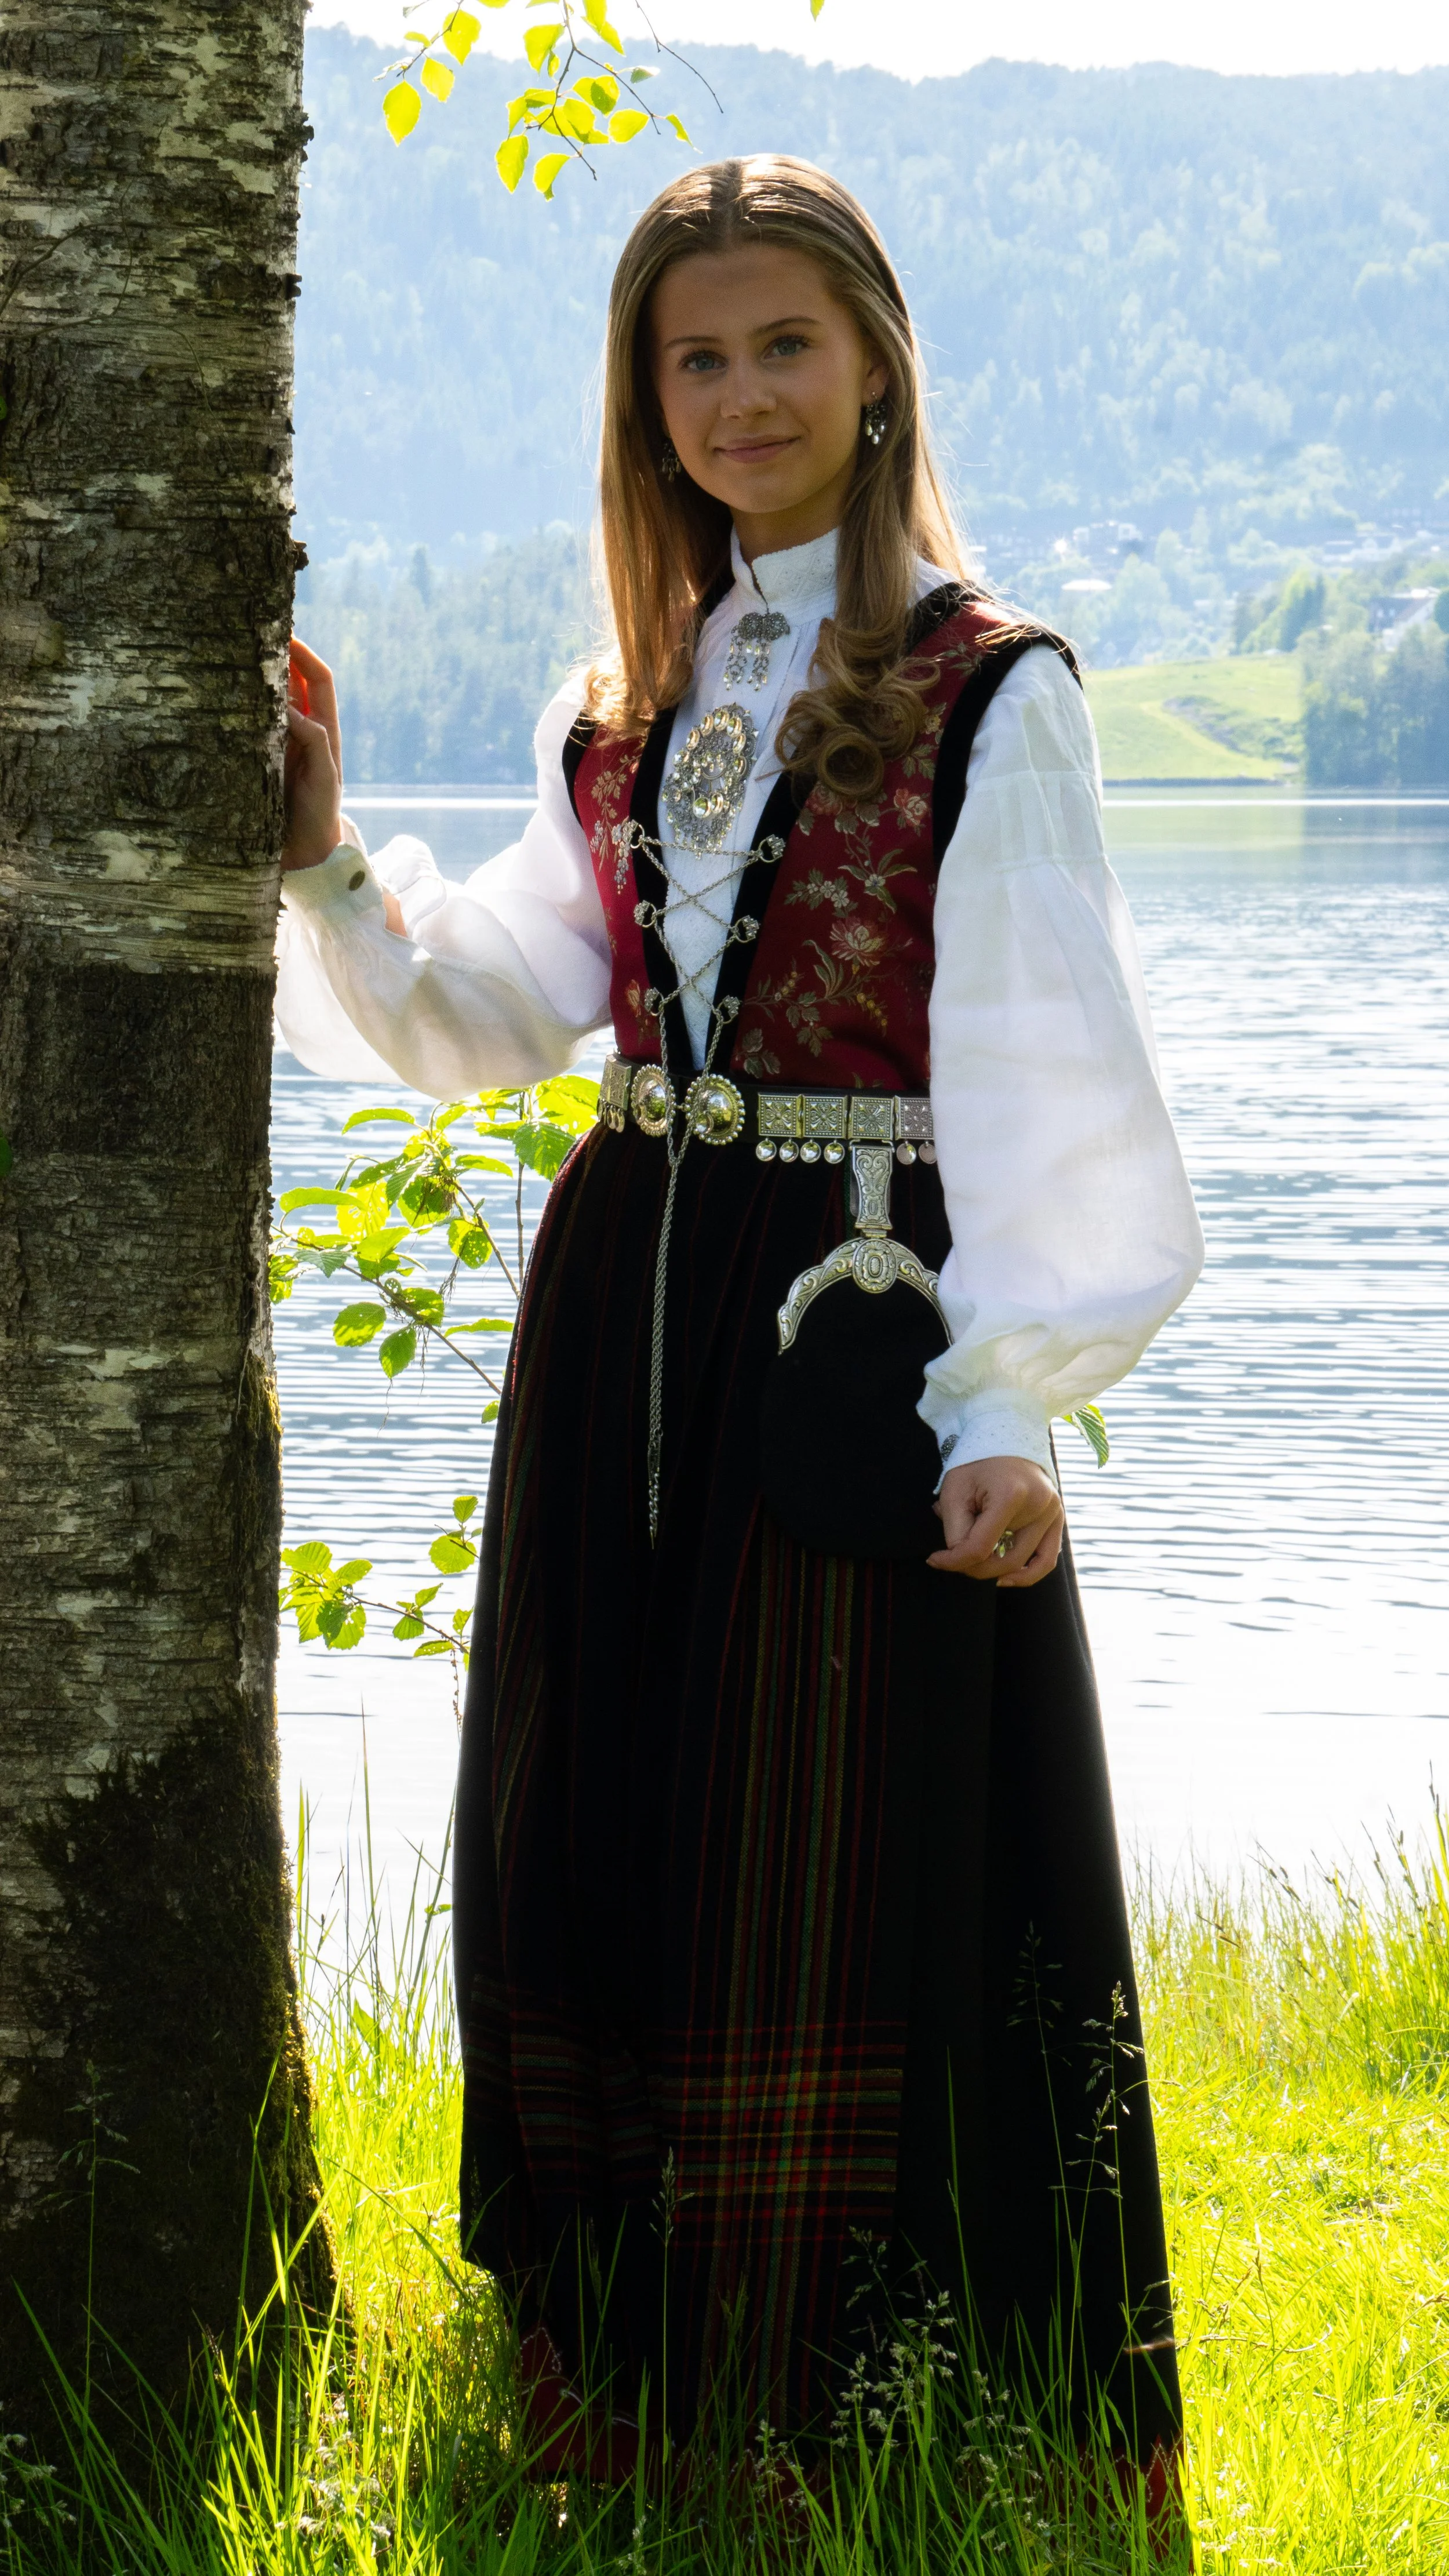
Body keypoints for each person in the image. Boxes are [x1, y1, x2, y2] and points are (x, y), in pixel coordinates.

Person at [278, 155, 1204, 2501]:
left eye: (784, 343)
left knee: (829, 1838)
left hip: (846, 1321)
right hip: (626, 1312)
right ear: (644, 397)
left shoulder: (997, 695)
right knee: (598, 1813)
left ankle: (850, 2423)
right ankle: (622, 2383)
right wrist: (321, 858)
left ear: (876, 360)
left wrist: (1009, 1398)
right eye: (694, 357)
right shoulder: (638, 699)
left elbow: (1045, 1066)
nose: (741, 394)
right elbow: (506, 1002)